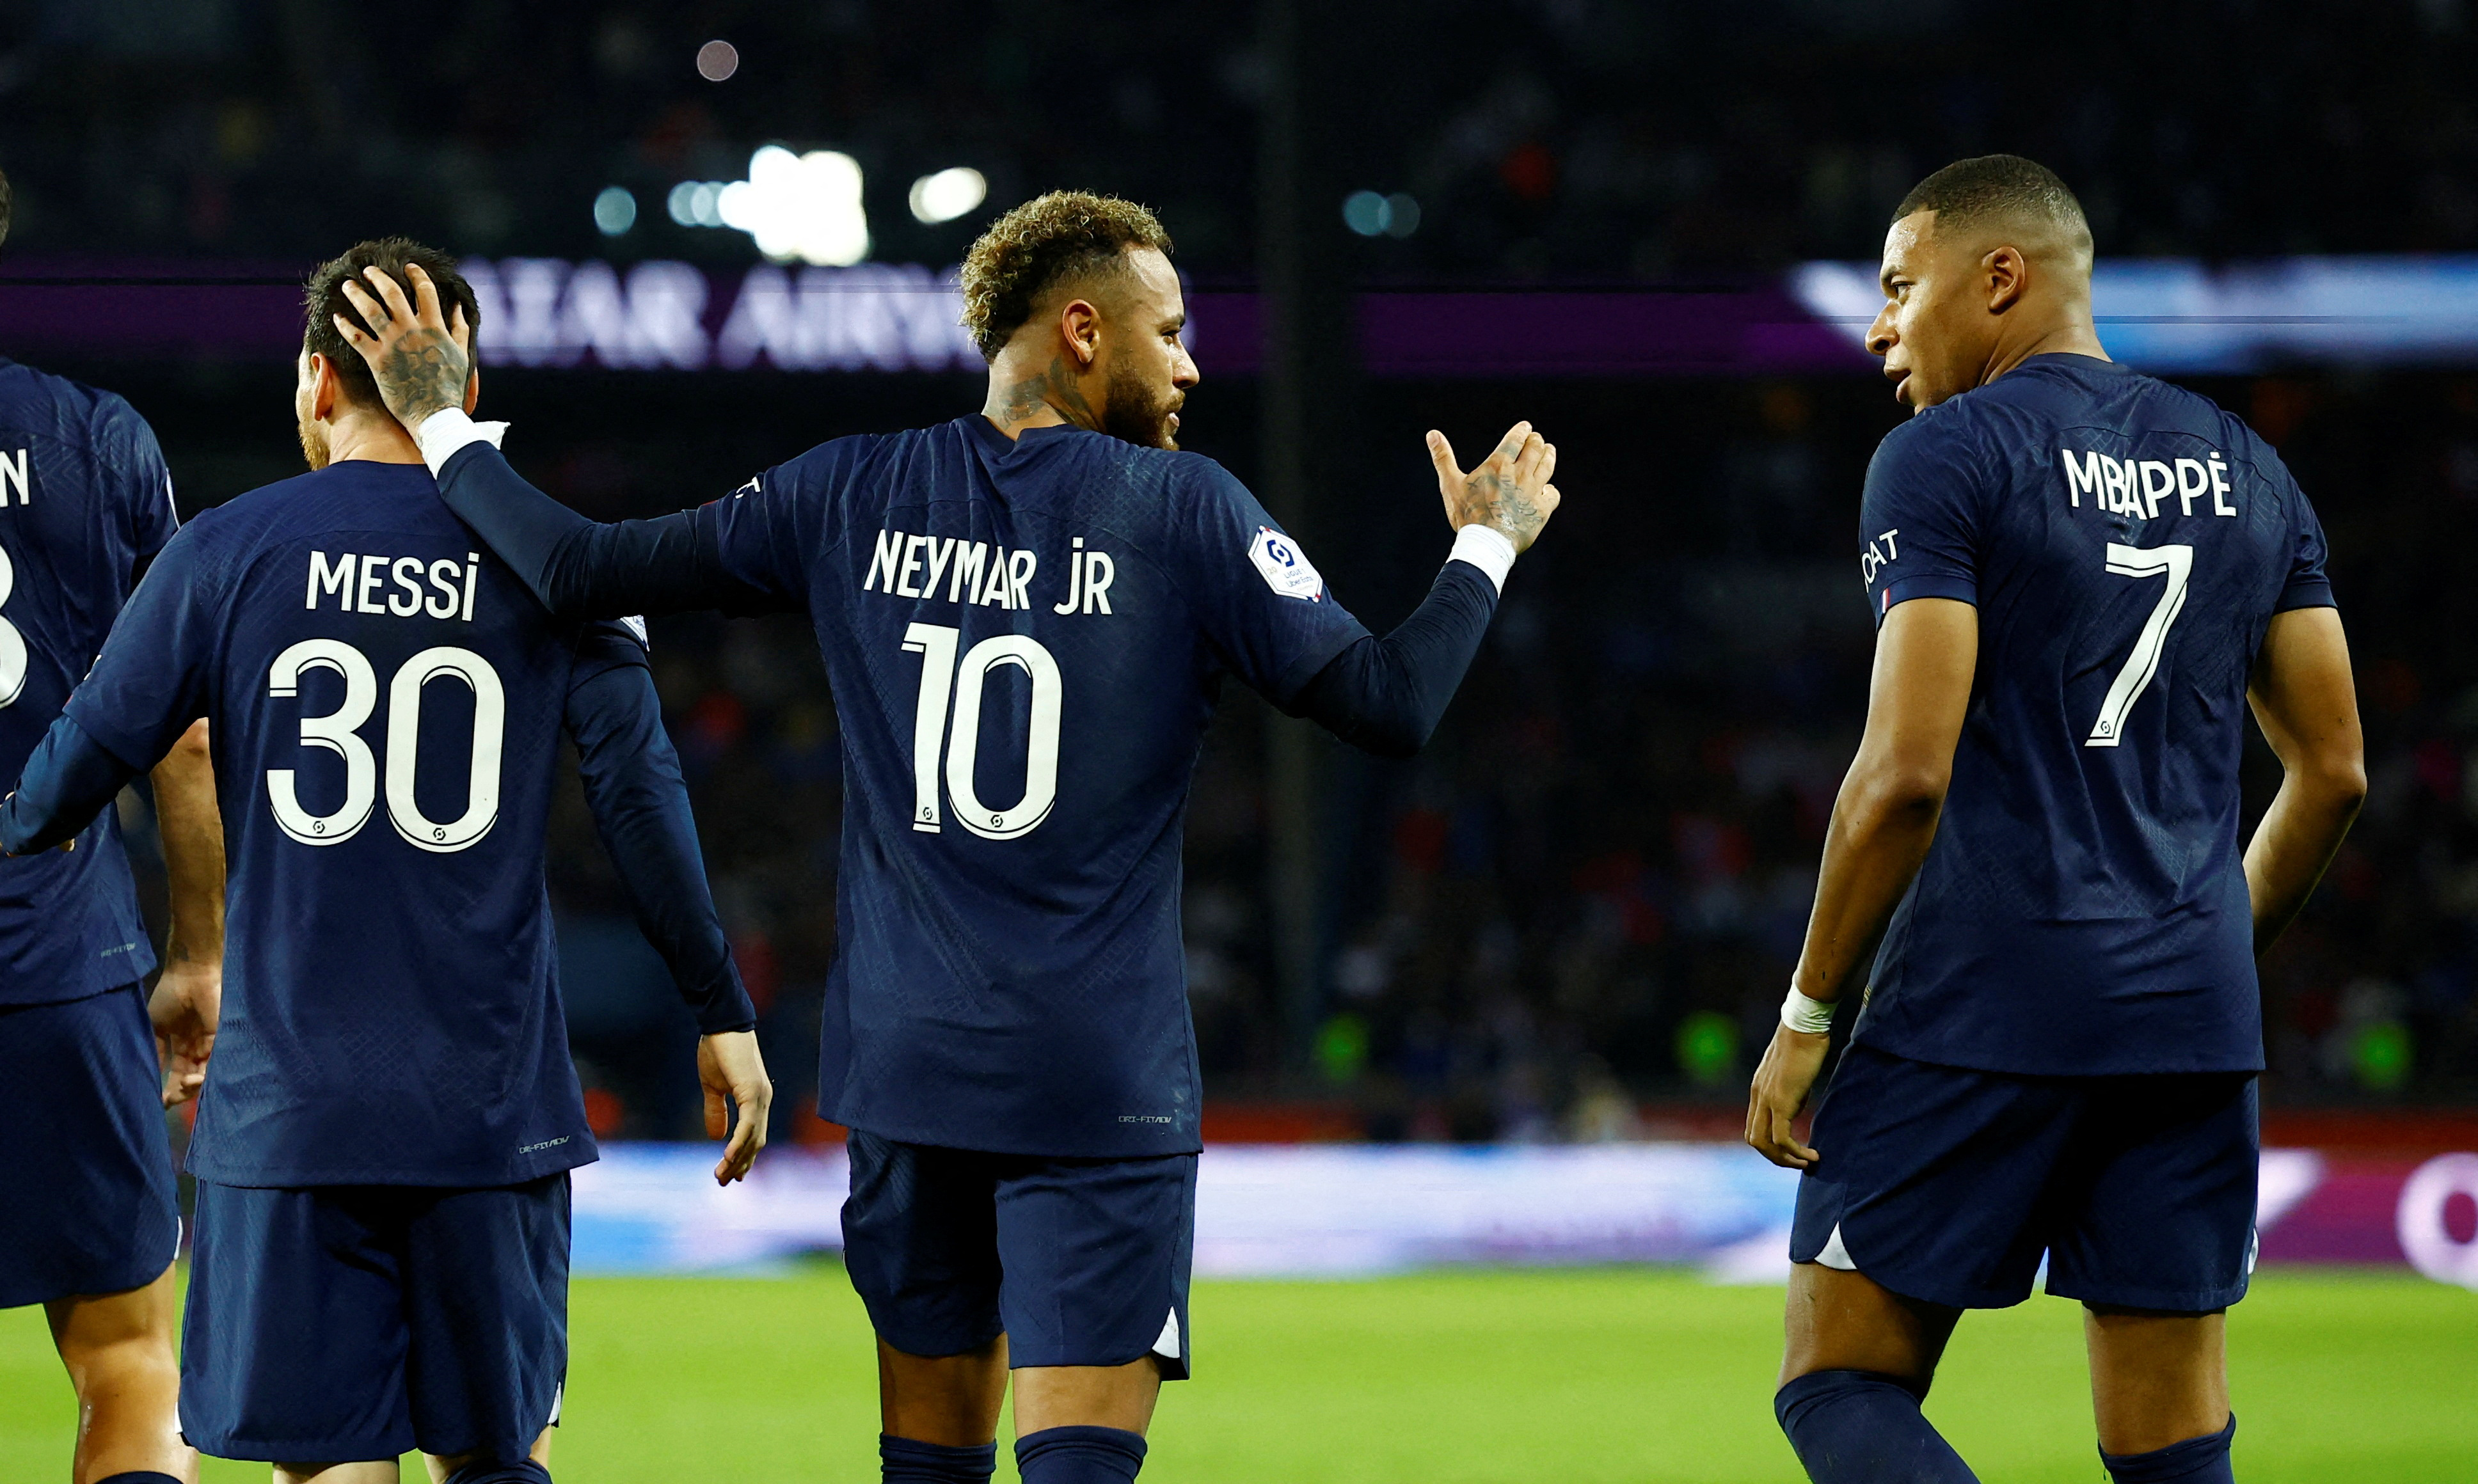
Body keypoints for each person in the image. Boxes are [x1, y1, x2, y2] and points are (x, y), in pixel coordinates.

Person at [327, 191, 1559, 1484]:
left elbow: (577, 568)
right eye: (1170, 330)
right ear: (1081, 331)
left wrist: (439, 417)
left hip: (908, 1074)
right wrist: (1483, 543)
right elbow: (1387, 700)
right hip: (1099, 1080)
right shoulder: (1183, 508)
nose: (1192, 364)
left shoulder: (847, 486)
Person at [1, 239, 775, 1484]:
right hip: (490, 1114)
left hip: (286, 1114)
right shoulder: (561, 560)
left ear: (314, 382)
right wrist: (719, 1008)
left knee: (328, 1469)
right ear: (462, 390)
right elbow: (641, 800)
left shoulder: (223, 551)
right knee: (495, 1460)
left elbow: (60, 782)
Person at [1745, 155, 2365, 1484]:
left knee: (1839, 1380)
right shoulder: (2249, 472)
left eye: (1899, 287)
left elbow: (1901, 770)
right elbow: (2333, 769)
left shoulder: (1942, 456)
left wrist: (1804, 1013)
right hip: (2188, 1020)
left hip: (1981, 994)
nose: (1875, 327)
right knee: (2169, 1442)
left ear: (1998, 277)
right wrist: (2206, 934)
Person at [0, 162, 222, 1484]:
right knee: (131, 1357)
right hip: (56, 957)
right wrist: (198, 952)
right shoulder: (96, 436)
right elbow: (185, 732)